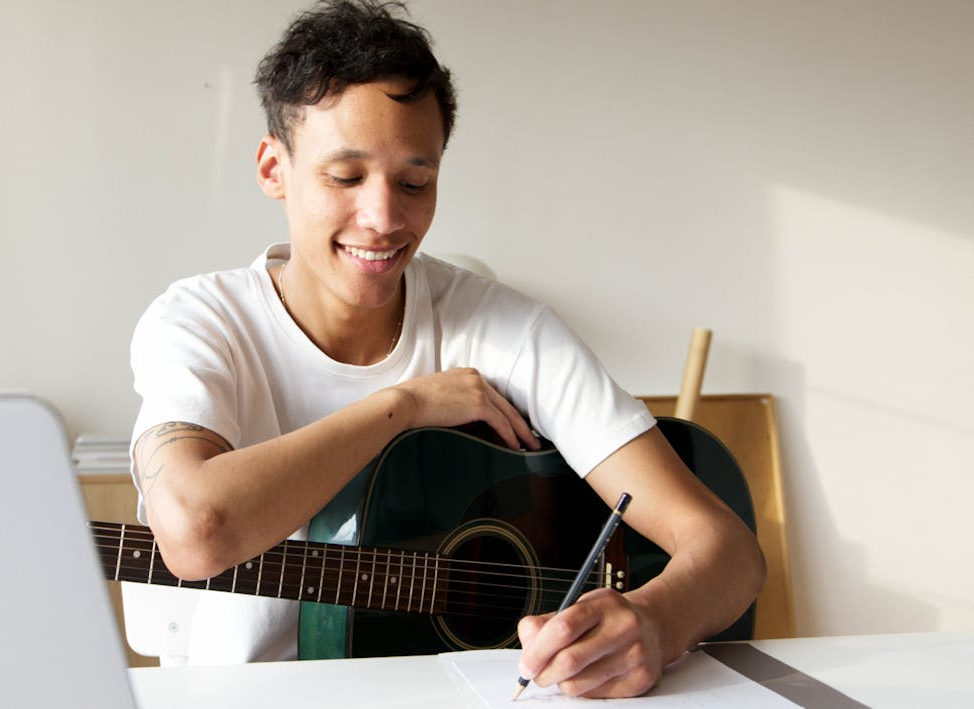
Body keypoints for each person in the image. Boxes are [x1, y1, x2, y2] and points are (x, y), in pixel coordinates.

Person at [128, 0, 764, 698]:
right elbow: (193, 529)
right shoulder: (201, 322)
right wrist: (401, 406)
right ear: (273, 168)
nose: (385, 218)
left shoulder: (507, 330)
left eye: (415, 181)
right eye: (345, 177)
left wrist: (654, 618)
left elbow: (729, 551)